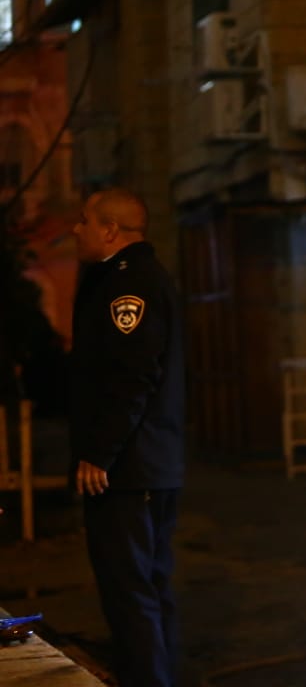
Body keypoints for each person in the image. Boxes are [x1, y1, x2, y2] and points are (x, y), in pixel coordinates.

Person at [69, 188, 185, 687]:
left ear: (110, 230)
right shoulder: (140, 278)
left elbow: (133, 377)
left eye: (85, 221)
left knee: (130, 590)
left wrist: (99, 453)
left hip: (128, 468)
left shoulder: (127, 286)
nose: (77, 230)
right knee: (149, 589)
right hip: (151, 464)